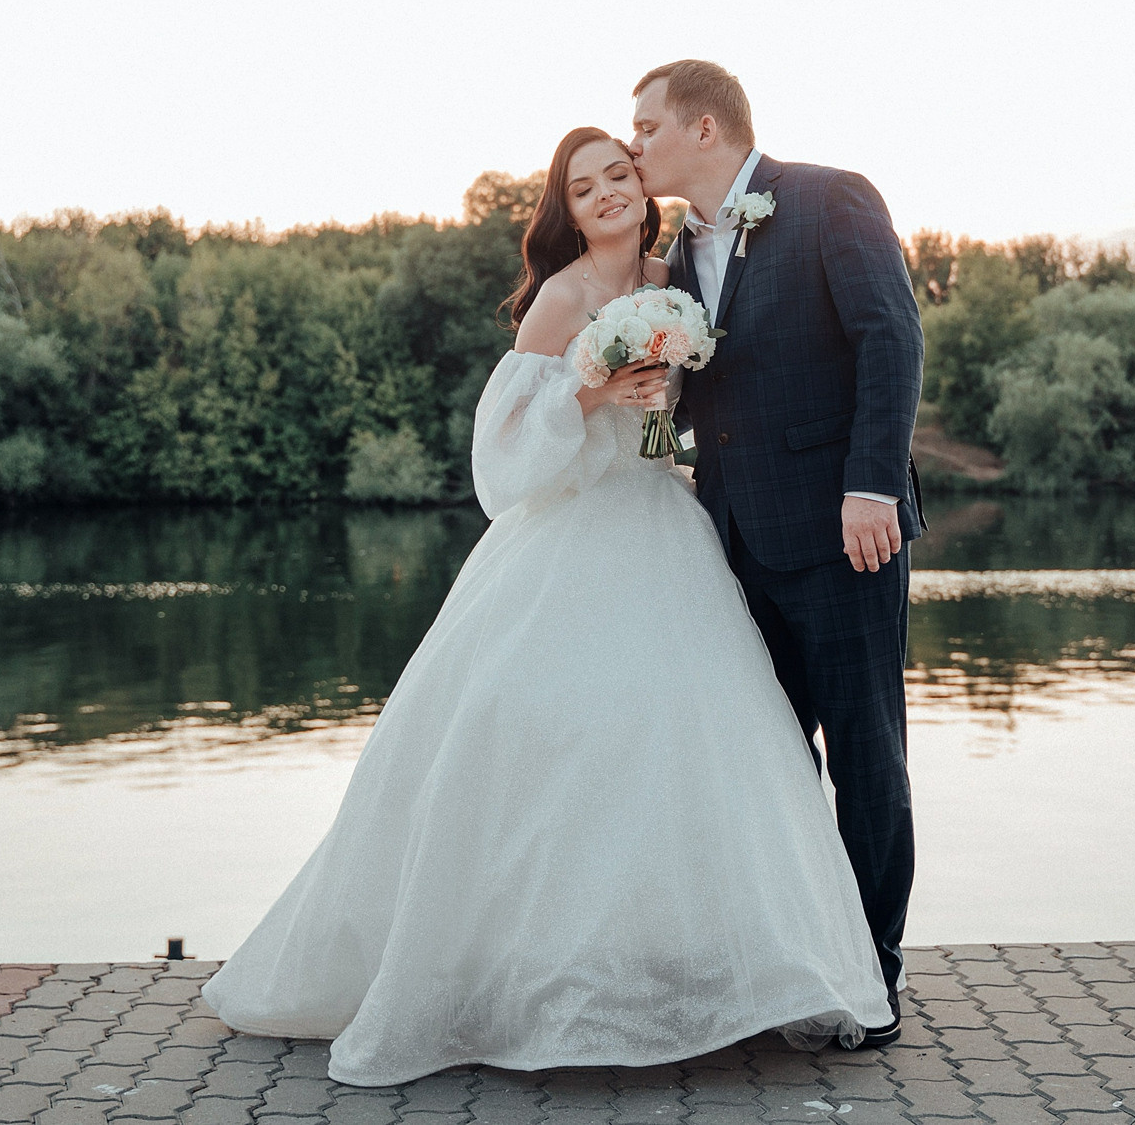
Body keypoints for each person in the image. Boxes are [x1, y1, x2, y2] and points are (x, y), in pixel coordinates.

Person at [201, 126, 894, 1086]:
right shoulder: (558, 300)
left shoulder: (678, 276)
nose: (609, 192)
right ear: (562, 209)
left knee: (699, 747)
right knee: (545, 740)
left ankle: (698, 974)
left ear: (641, 188)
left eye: (619, 174)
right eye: (585, 187)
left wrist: (670, 423)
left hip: (668, 528)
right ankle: (530, 975)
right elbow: (504, 462)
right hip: (573, 539)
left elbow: (714, 400)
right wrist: (597, 396)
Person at [627, 60, 925, 1038]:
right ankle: (792, 961)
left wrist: (870, 483)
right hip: (734, 546)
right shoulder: (674, 251)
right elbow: (693, 400)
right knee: (767, 762)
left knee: (868, 762)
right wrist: (647, 441)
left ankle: (872, 974)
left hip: (848, 535)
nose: (635, 146)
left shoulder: (830, 199)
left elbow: (890, 337)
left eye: (647, 127)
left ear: (703, 129)